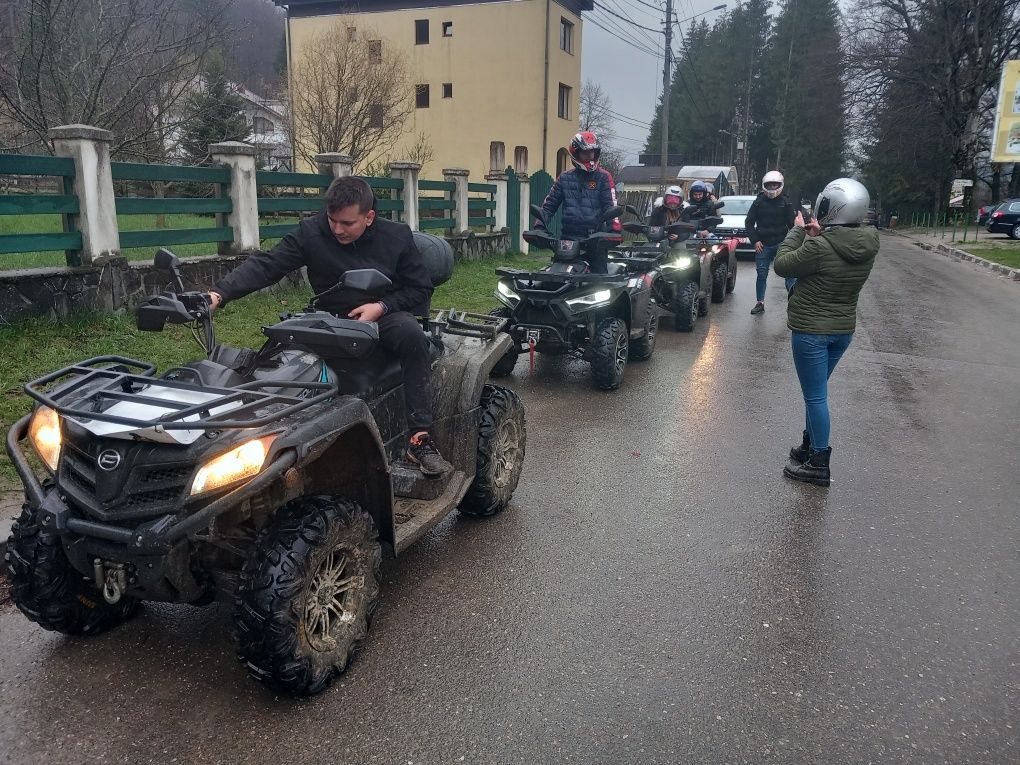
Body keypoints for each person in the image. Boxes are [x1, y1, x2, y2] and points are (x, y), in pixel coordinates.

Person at [207, 176, 453, 477]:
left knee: (413, 337)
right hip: (328, 316)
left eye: (347, 223)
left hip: (383, 313)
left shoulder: (396, 237)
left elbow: (420, 289)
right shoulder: (312, 232)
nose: (337, 229)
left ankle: (419, 438)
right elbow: (268, 264)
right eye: (332, 220)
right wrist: (220, 293)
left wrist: (381, 307)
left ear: (369, 217)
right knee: (277, 349)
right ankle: (258, 436)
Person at [773, 177, 879, 487]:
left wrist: (796, 230)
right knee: (815, 396)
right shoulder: (869, 242)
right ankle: (809, 447)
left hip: (811, 331)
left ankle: (819, 462)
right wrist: (820, 235)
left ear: (832, 208)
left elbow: (783, 265)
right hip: (841, 331)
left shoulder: (818, 247)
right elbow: (835, 249)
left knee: (816, 397)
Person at [536, 131, 621, 273]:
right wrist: (539, 227)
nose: (590, 157)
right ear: (575, 154)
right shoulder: (564, 178)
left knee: (600, 284)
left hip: (596, 241)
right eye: (586, 153)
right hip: (567, 242)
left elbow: (611, 205)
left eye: (593, 153)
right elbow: (549, 205)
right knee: (556, 279)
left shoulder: (604, 177)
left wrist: (615, 230)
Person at [745, 170, 797, 315]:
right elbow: (749, 223)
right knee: (761, 274)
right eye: (770, 185)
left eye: (775, 185)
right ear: (764, 185)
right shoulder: (758, 202)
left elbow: (793, 225)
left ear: (780, 185)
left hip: (782, 243)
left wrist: (791, 242)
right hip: (763, 244)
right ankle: (759, 303)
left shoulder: (786, 202)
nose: (772, 188)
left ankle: (793, 304)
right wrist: (755, 241)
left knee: (790, 273)